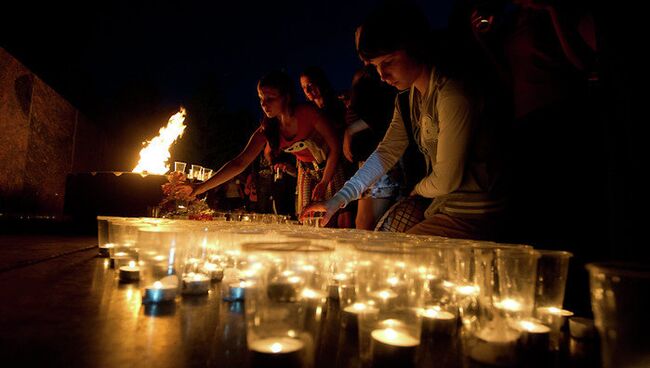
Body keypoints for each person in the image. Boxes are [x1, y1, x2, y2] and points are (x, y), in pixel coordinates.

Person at [301, 0, 506, 239]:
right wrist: (337, 200)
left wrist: (418, 189)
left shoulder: (452, 94)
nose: (383, 75)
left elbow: (447, 179)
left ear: (415, 47)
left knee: (390, 258)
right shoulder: (407, 99)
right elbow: (386, 152)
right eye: (376, 66)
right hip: (440, 207)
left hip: (474, 213)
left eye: (388, 63)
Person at [190, 70, 348, 224]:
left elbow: (335, 146)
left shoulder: (308, 113)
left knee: (338, 216)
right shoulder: (268, 129)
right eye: (260, 98)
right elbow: (239, 163)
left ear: (286, 97)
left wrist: (324, 181)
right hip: (306, 171)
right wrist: (200, 187)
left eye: (270, 98)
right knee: (308, 218)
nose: (264, 104)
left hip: (330, 166)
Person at [342, 65, 401, 230]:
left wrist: (350, 131)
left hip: (380, 164)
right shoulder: (368, 79)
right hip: (370, 163)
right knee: (368, 224)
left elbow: (381, 115)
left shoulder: (376, 85)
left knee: (365, 224)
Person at [298, 66, 354, 228]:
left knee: (339, 211)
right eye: (303, 88)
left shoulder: (337, 105)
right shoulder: (307, 112)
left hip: (337, 164)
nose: (307, 90)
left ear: (320, 83)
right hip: (313, 167)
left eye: (310, 85)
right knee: (311, 212)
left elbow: (341, 133)